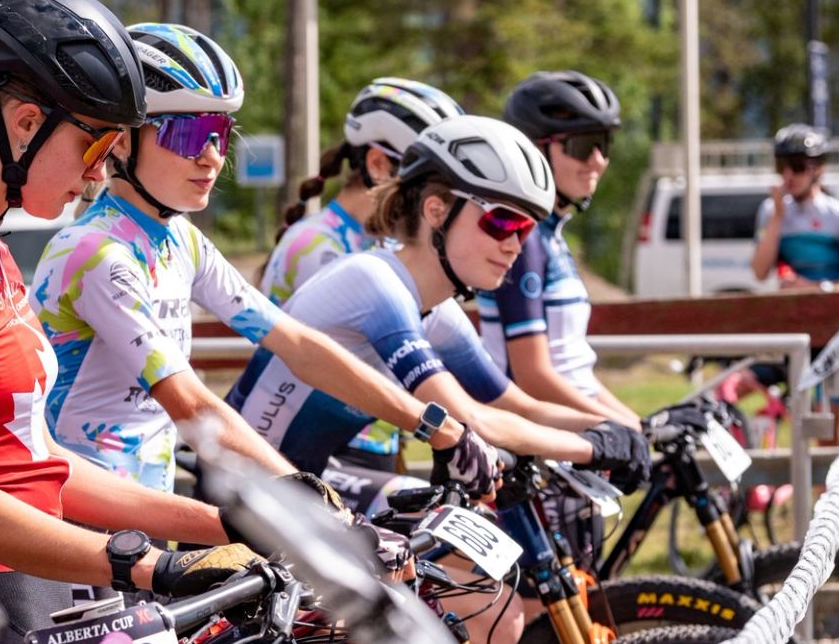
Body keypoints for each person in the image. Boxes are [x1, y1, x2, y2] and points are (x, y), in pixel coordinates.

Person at [0, 0, 270, 644]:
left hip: (41, 585)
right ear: (26, 122)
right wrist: (147, 564)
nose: (96, 178)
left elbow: (41, 462)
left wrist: (229, 525)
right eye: (95, 147)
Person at [33, 24, 492, 494]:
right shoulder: (97, 253)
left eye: (221, 133)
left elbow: (296, 344)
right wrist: (306, 492)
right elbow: (191, 404)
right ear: (124, 140)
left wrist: (433, 424)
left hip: (143, 511)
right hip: (81, 512)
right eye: (190, 135)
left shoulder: (180, 240)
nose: (212, 158)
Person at [228, 115, 647, 512]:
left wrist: (619, 431)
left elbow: (520, 406)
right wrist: (592, 448)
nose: (514, 246)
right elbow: (468, 417)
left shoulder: (436, 310)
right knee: (457, 557)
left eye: (525, 230)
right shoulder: (376, 283)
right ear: (436, 211)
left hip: (294, 489)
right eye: (502, 223)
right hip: (241, 495)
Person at [262, 78, 466, 474]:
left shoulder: (385, 244)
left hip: (374, 437)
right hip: (311, 451)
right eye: (429, 180)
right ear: (377, 164)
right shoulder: (317, 245)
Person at [479, 71, 641, 426]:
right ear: (535, 149)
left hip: (566, 431)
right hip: (532, 446)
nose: (598, 160)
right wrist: (620, 428)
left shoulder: (551, 235)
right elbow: (532, 376)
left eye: (604, 143)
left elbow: (574, 372)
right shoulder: (524, 238)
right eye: (582, 146)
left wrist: (642, 426)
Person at [750, 124, 839, 286]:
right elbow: (760, 272)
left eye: (798, 166)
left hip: (833, 307)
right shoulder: (770, 209)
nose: (788, 175)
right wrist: (777, 216)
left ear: (819, 169)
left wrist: (816, 288)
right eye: (781, 166)